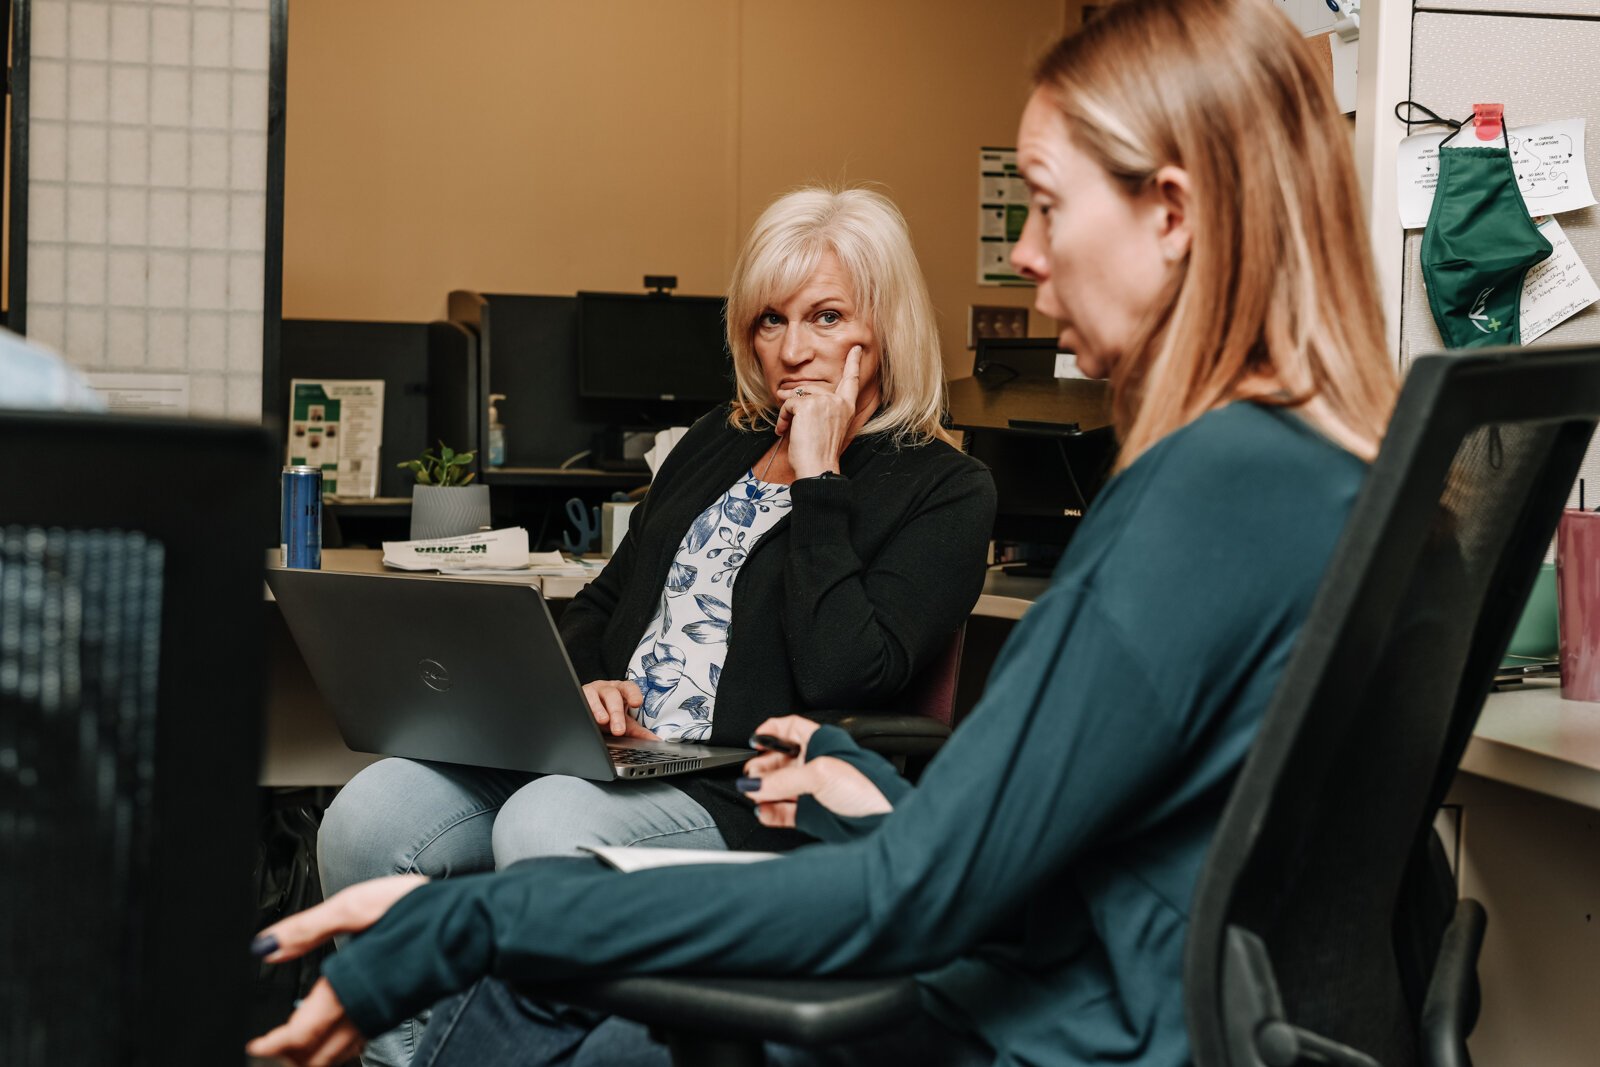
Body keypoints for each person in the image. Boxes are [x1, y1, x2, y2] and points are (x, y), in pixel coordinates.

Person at [248, 0, 1399, 1063]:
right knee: (477, 919)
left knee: (549, 1004)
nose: (1027, 253)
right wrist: (857, 772)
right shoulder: (1310, 476)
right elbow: (1039, 820)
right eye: (769, 323)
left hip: (1053, 1015)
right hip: (1079, 967)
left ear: (1173, 211)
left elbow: (927, 885)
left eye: (1044, 204)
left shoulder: (1205, 497)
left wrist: (484, 916)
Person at [311, 186, 997, 1064]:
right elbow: (608, 602)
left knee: (545, 823)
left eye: (824, 317)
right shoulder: (719, 438)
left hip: (751, 789)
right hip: (616, 753)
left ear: (886, 322)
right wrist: (579, 686)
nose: (791, 352)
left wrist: (822, 477)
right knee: (372, 812)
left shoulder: (940, 487)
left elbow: (845, 675)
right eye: (768, 321)